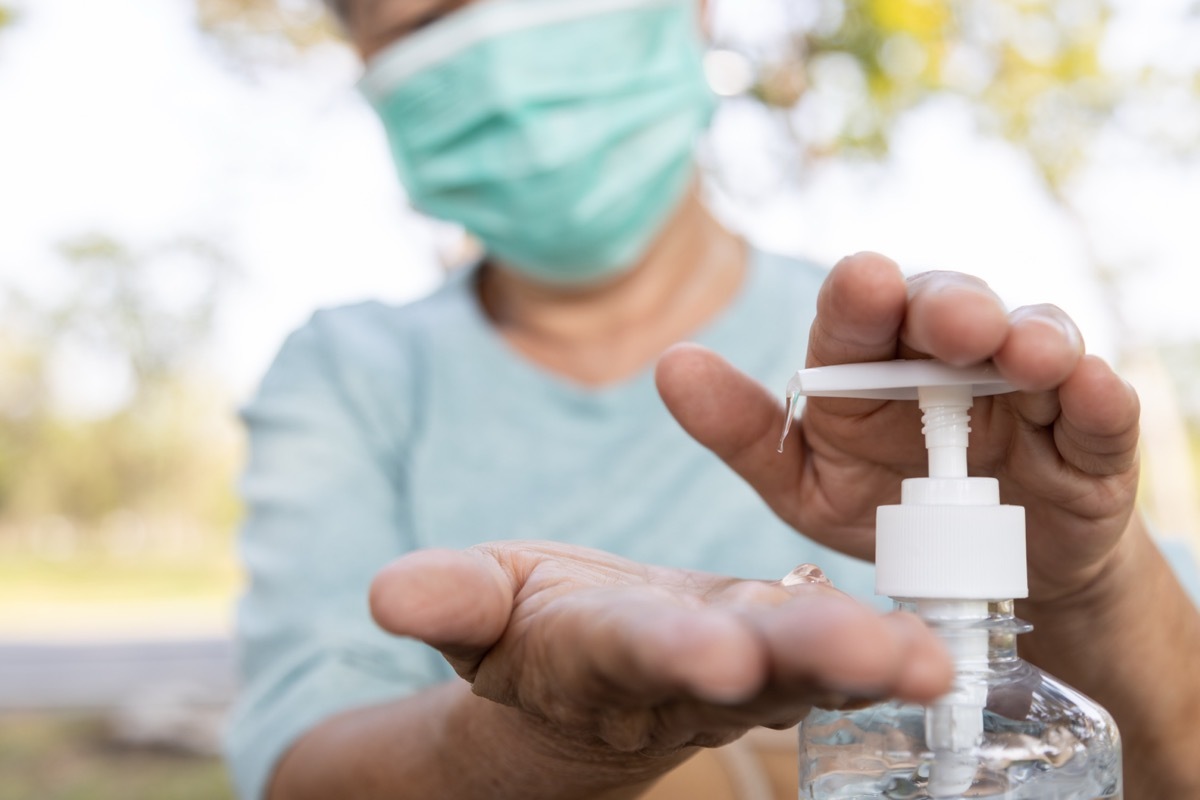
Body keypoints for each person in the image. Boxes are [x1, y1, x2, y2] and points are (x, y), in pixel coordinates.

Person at [224, 0, 1200, 797]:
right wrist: (558, 740)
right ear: (359, 51)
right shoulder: (350, 372)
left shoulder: (907, 368)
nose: (506, 61)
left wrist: (1088, 589)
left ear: (694, 12)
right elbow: (306, 762)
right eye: (431, 16)